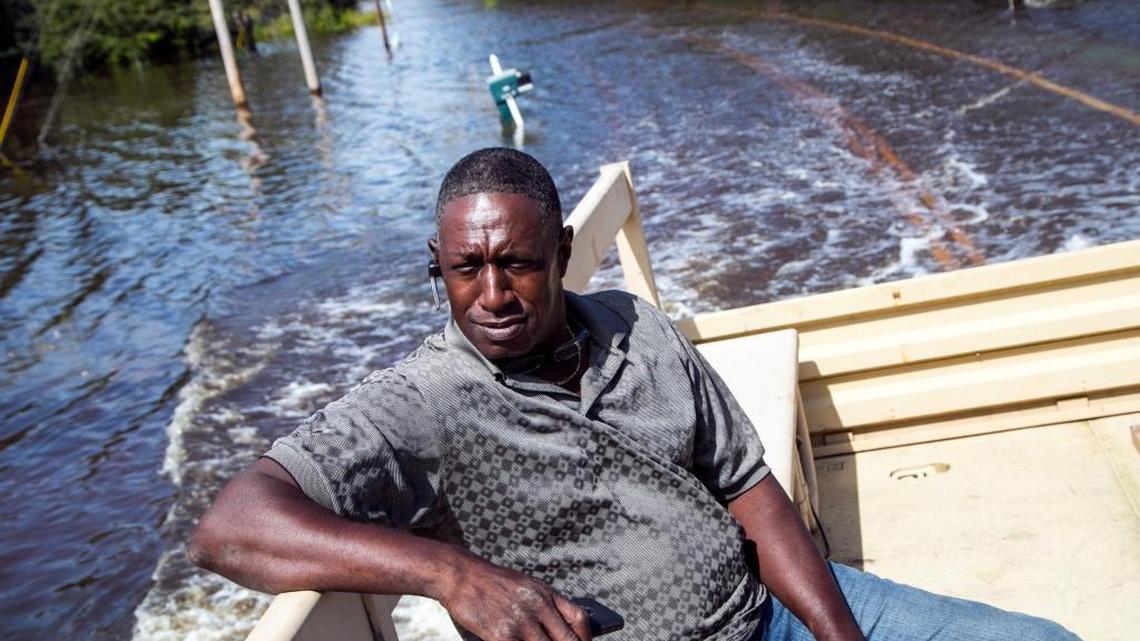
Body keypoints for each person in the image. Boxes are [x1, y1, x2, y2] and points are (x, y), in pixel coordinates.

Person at [190, 148, 1079, 641]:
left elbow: (752, 491)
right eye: (466, 269)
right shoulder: (421, 401)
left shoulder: (635, 326)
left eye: (519, 264)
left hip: (768, 615)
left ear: (564, 249)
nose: (492, 295)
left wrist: (840, 639)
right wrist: (452, 574)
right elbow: (232, 526)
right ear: (438, 264)